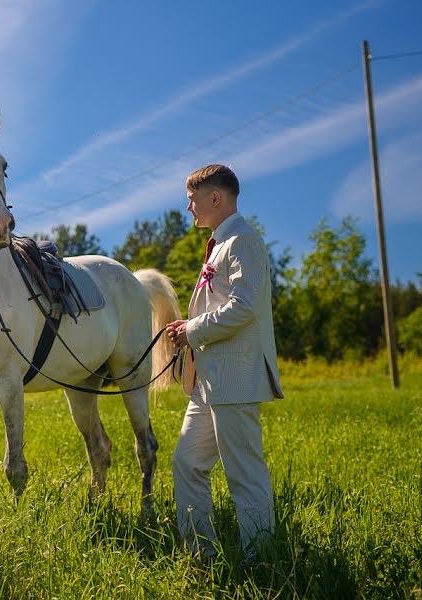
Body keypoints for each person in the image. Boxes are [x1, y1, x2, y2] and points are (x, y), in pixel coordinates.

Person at [165, 164, 283, 561]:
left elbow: (244, 307)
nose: (188, 208)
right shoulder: (219, 244)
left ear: (215, 198)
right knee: (186, 463)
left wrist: (192, 329)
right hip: (207, 381)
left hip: (234, 376)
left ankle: (260, 559)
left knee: (244, 474)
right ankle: (202, 554)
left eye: (192, 199)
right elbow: (220, 304)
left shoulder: (244, 241)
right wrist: (188, 326)